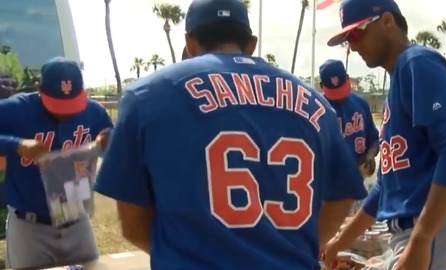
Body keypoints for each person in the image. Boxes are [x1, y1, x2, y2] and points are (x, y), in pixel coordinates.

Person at [94, 0, 367, 269]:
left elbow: (132, 225)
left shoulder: (146, 97)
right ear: (251, 43)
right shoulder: (315, 102)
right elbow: (344, 194)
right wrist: (300, 247)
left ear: (189, 43)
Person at [322, 0, 446, 269]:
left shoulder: (416, 63)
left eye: (357, 33)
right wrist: (339, 240)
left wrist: (422, 239)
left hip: (436, 231)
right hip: (422, 233)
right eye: (349, 39)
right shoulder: (400, 77)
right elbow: (386, 185)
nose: (354, 46)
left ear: (387, 21)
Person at [0, 56, 113, 269]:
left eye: (72, 103)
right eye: (58, 104)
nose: (67, 112)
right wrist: (16, 144)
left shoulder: (93, 112)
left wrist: (108, 141)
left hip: (77, 222)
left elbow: (115, 140)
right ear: (38, 89)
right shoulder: (17, 110)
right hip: (30, 228)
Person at [319, 59, 379, 178]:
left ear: (347, 78)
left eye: (341, 90)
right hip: (328, 182)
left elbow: (374, 139)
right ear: (322, 86)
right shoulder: (316, 108)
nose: (339, 98)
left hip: (359, 176)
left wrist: (370, 156)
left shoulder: (360, 103)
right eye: (334, 93)